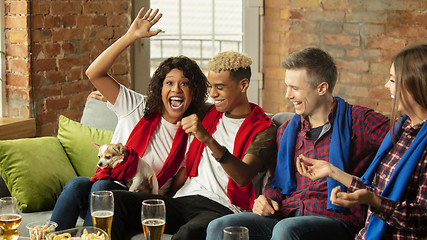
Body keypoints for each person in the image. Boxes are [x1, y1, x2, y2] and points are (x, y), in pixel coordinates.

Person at [206, 48, 390, 240]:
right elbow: (277, 182)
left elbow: (411, 137)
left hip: (334, 218)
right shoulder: (287, 130)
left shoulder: (358, 121)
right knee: (220, 226)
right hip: (287, 213)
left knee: (286, 229)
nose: (288, 95)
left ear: (322, 88)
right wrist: (265, 199)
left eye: (295, 88)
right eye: (287, 87)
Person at [50, 8, 209, 230]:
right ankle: (51, 235)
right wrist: (131, 36)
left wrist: (162, 203)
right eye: (169, 83)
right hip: (109, 185)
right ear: (159, 88)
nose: (177, 89)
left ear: (194, 92)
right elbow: (94, 73)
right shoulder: (136, 105)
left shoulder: (194, 132)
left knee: (103, 186)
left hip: (142, 201)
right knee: (76, 185)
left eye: (184, 83)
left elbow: (178, 187)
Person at [111, 50, 277, 240]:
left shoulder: (264, 128)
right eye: (211, 86)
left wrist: (208, 139)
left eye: (220, 87)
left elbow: (243, 176)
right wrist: (113, 97)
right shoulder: (207, 112)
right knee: (115, 200)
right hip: (184, 199)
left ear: (243, 85)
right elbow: (172, 98)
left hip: (221, 208)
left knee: (188, 233)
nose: (213, 94)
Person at [297, 44, 427, 239]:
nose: (386, 85)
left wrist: (375, 201)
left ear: (415, 84)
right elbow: (374, 192)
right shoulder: (402, 130)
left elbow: (423, 217)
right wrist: (332, 171)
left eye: (392, 79)